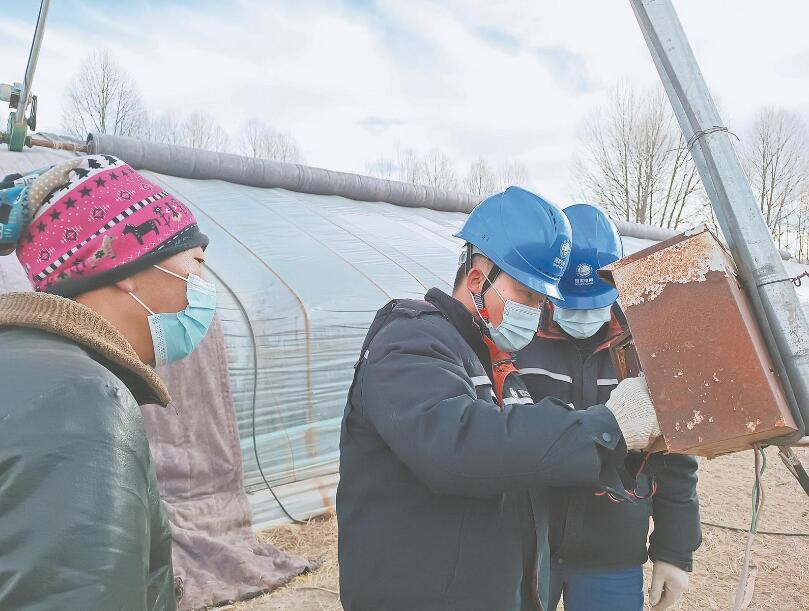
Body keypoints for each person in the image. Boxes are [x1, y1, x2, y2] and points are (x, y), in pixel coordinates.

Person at [337, 186, 663, 611]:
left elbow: (521, 458)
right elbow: (460, 444)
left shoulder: (493, 362)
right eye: (527, 294)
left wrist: (626, 446)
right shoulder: (411, 340)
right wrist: (606, 425)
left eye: (541, 300)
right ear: (477, 280)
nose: (535, 309)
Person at [0, 154, 215, 611]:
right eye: (197, 261)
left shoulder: (23, 364)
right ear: (127, 267)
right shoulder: (79, 400)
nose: (203, 283)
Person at [515, 203, 701, 611]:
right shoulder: (518, 339)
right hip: (527, 546)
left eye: (594, 303)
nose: (583, 316)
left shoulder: (646, 346)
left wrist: (675, 550)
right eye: (571, 304)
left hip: (612, 548)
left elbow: (674, 452)